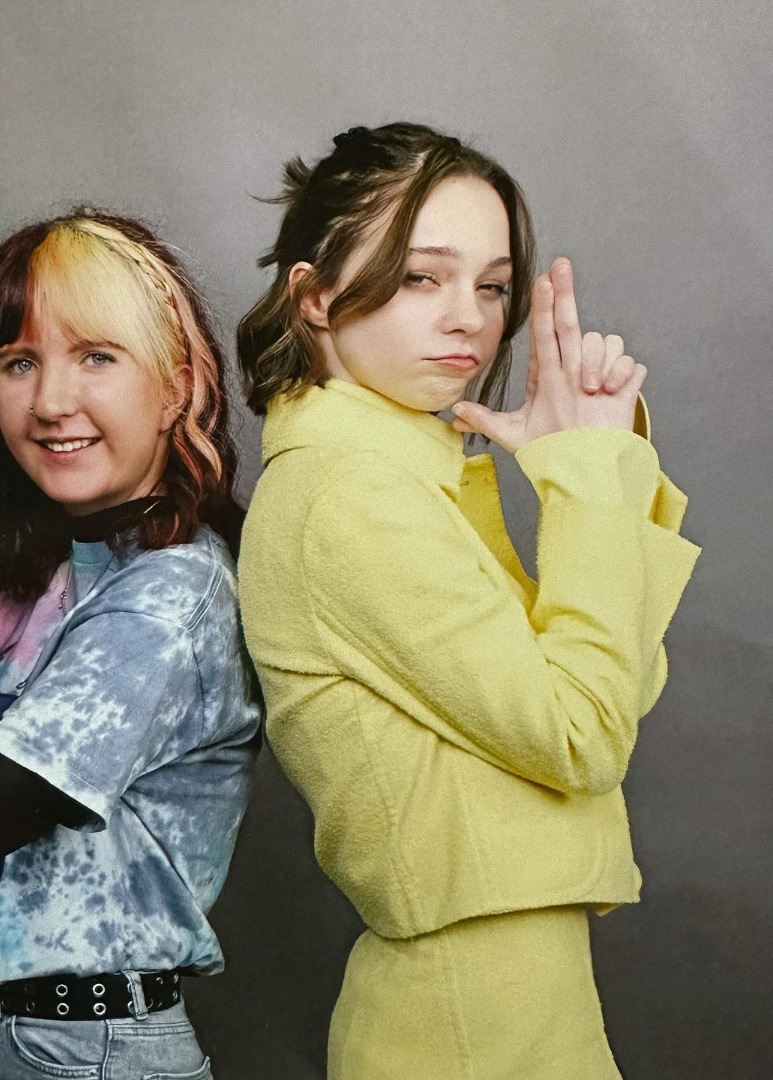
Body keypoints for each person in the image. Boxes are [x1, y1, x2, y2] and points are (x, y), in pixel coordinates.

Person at [236, 122, 700, 1079]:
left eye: (491, 286)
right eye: (420, 277)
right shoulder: (349, 497)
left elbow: (617, 688)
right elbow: (583, 734)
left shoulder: (399, 478)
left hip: (511, 1003)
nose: (470, 320)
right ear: (314, 296)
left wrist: (604, 463)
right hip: (468, 1021)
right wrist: (582, 477)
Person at [0, 209, 261, 1080]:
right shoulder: (50, 583)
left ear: (178, 389)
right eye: (19, 361)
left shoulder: (169, 594)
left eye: (97, 357)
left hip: (92, 1050)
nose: (49, 402)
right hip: (16, 1041)